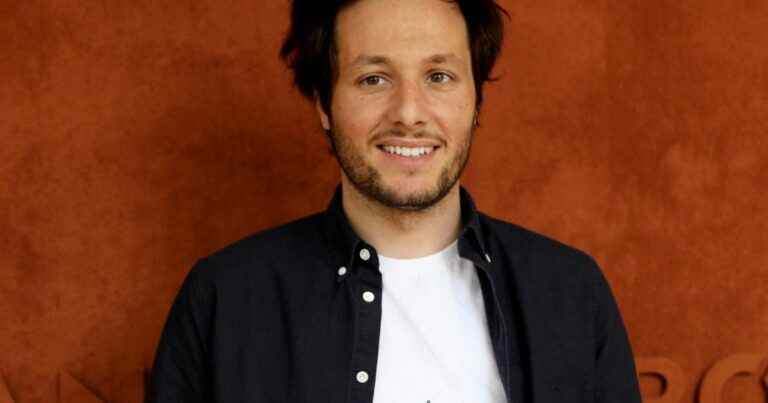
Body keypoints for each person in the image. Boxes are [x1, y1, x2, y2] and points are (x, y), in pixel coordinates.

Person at [148, 0, 642, 402]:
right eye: (373, 79)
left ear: (476, 102)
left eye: (439, 77)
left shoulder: (571, 292)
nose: (409, 113)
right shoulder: (225, 297)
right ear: (324, 104)